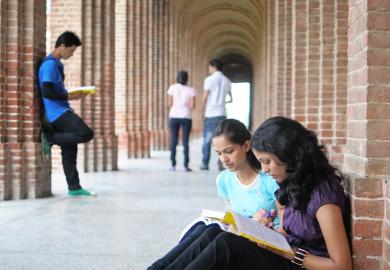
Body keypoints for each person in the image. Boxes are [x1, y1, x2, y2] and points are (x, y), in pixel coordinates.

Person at [155, 116, 352, 270]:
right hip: (286, 256)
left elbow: (341, 265)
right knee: (213, 231)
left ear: (289, 154)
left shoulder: (323, 198)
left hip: (301, 265)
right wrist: (264, 233)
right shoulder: (293, 183)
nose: (264, 169)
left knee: (226, 245)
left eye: (267, 161)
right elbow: (289, 230)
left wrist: (289, 253)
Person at [148, 119, 279, 270]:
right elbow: (233, 215)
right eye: (219, 153)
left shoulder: (269, 180)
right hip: (239, 235)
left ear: (246, 145)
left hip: (263, 242)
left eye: (229, 151)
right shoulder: (224, 179)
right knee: (206, 229)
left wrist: (262, 224)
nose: (224, 159)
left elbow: (286, 225)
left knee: (217, 237)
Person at [38, 31, 95, 197]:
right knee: (86, 133)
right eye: (71, 50)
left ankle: (74, 187)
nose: (72, 54)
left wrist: (73, 93)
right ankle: (50, 138)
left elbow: (55, 90)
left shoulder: (57, 64)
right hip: (57, 113)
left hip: (62, 109)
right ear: (62, 46)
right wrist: (71, 95)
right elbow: (48, 92)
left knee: (70, 149)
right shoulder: (49, 65)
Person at [200, 59, 232, 171]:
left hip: (210, 113)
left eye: (209, 67)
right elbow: (230, 98)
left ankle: (205, 163)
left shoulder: (209, 80)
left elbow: (204, 97)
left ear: (214, 67)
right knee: (222, 140)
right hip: (222, 113)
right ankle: (221, 163)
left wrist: (202, 112)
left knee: (207, 140)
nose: (209, 69)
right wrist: (223, 102)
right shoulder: (227, 80)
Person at [167, 70, 196, 172]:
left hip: (174, 116)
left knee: (173, 141)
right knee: (185, 142)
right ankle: (186, 165)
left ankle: (173, 165)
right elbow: (192, 106)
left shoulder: (172, 88)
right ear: (187, 78)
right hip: (186, 116)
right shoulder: (191, 90)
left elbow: (169, 103)